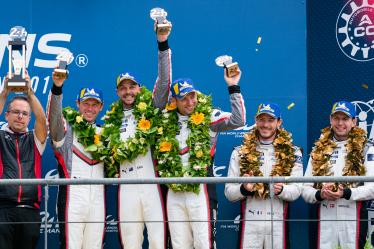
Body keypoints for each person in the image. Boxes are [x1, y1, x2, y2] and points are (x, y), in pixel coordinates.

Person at [154, 69, 246, 249]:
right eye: (184, 99)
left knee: (204, 244)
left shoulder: (208, 117)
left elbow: (239, 120)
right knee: (179, 245)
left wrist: (233, 87)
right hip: (174, 193)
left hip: (201, 192)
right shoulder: (164, 121)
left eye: (192, 96)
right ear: (174, 101)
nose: (190, 102)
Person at [110, 23, 172, 249]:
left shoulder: (152, 108)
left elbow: (164, 81)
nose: (128, 92)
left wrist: (162, 43)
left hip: (152, 184)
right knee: (130, 243)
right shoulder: (110, 121)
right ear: (117, 92)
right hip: (126, 186)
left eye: (132, 87)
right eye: (123, 88)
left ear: (139, 88)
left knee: (158, 242)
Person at [225, 103, 303, 249]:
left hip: (278, 220)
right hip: (250, 221)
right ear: (256, 120)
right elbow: (229, 192)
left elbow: (297, 190)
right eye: (262, 119)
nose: (265, 124)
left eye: (270, 120)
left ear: (279, 122)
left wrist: (282, 190)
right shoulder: (239, 152)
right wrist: (244, 189)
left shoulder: (293, 152)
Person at [302, 101, 374, 249]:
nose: (340, 123)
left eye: (345, 118)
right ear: (330, 120)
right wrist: (320, 194)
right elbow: (305, 189)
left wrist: (345, 192)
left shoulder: (367, 148)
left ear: (354, 121)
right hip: (324, 220)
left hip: (354, 220)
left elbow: (372, 188)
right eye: (336, 118)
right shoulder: (318, 149)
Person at [47, 71, 105, 249]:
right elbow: (54, 117)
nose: (90, 108)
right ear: (77, 104)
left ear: (101, 107)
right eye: (86, 103)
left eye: (94, 104)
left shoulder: (107, 134)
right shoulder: (66, 130)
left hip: (98, 198)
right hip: (73, 197)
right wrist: (57, 88)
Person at [0, 73, 48, 249]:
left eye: (25, 113)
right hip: (2, 209)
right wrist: (5, 92)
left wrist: (30, 93)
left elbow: (42, 120)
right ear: (6, 115)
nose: (20, 116)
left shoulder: (34, 139)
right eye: (16, 112)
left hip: (30, 211)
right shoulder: (1, 136)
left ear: (29, 118)